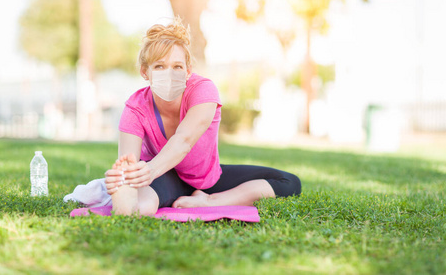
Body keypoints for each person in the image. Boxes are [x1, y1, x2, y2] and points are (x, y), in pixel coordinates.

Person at [104, 17, 301, 216]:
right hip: (162, 175)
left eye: (177, 67)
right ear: (145, 72)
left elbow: (184, 140)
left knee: (289, 182)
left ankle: (209, 201)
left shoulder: (203, 91)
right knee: (140, 196)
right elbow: (128, 161)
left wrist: (148, 172)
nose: (169, 74)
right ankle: (129, 207)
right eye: (160, 66)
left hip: (206, 178)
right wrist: (129, 176)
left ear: (188, 71)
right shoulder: (135, 107)